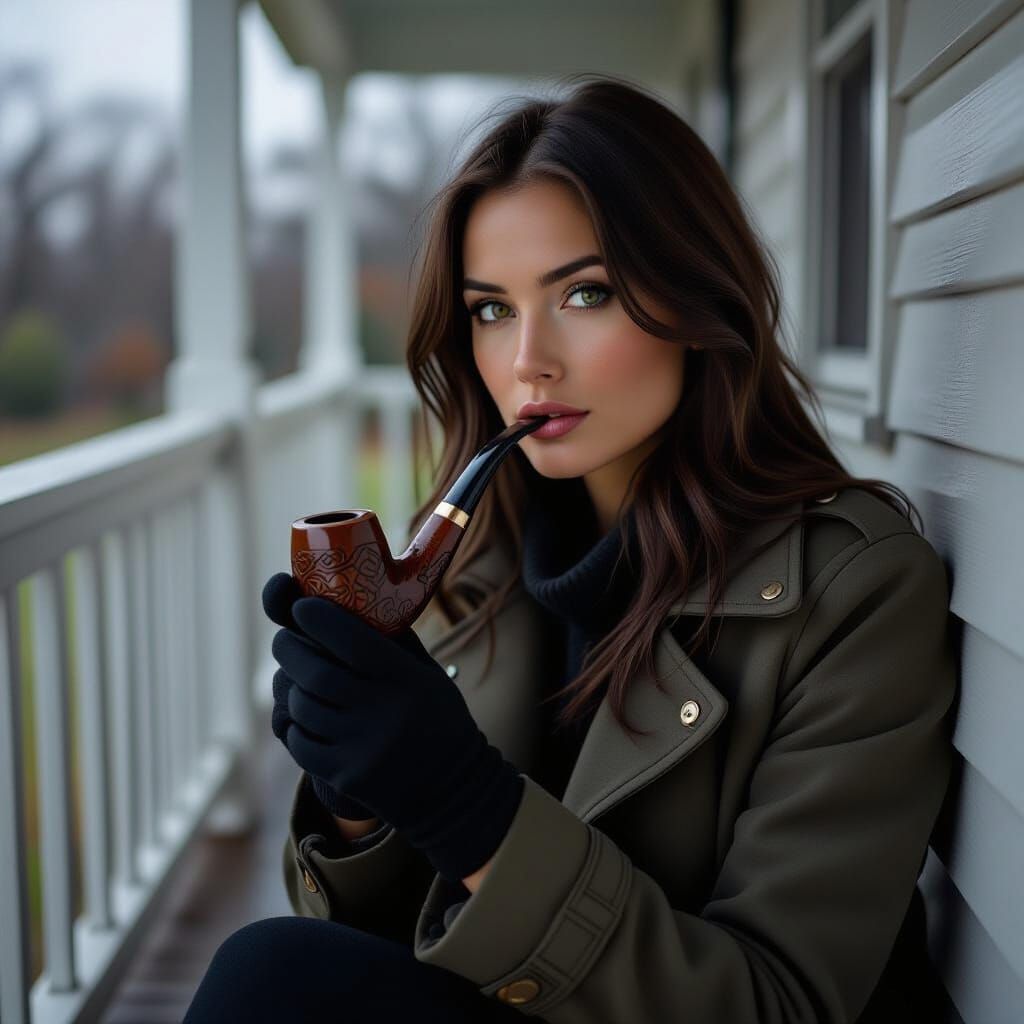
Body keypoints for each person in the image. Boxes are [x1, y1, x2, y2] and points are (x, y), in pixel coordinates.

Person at [184, 72, 958, 1023]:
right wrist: (360, 802)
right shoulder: (476, 567)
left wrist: (470, 808)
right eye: (491, 309)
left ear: (697, 299)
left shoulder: (857, 590)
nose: (526, 361)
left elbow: (778, 1002)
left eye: (585, 293)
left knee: (272, 978)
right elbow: (396, 940)